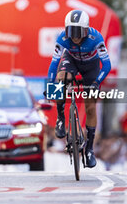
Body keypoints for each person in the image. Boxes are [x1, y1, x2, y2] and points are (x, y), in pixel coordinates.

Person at [47, 10, 111, 168]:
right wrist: (50, 86)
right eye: (71, 31)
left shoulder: (96, 38)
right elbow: (54, 64)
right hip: (72, 61)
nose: (74, 36)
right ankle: (61, 119)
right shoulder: (62, 38)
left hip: (92, 67)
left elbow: (107, 65)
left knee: (90, 107)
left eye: (78, 32)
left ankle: (89, 149)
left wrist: (96, 82)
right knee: (61, 78)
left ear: (86, 30)